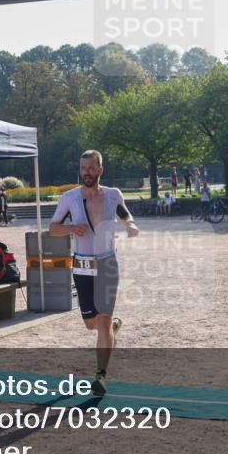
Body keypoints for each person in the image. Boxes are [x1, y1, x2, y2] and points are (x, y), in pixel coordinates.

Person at [48, 150, 139, 396]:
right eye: (83, 168)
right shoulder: (69, 198)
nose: (86, 172)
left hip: (108, 264)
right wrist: (70, 228)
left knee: (103, 321)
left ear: (101, 170)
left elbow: (124, 212)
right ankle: (111, 330)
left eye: (91, 168)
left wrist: (130, 224)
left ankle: (100, 376)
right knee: (91, 325)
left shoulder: (112, 194)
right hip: (82, 265)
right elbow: (52, 228)